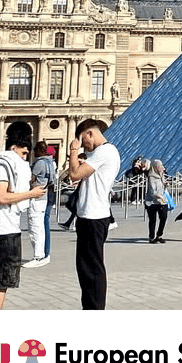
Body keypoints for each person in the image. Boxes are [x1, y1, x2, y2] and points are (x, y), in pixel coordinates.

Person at [0, 123, 47, 310]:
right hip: (5, 234)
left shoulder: (2, 165)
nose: (25, 159)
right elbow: (2, 197)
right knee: (1, 282)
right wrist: (31, 194)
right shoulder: (3, 167)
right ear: (13, 148)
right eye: (23, 153)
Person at [67, 120, 121, 310]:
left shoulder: (104, 151)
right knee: (86, 268)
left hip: (94, 216)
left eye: (83, 141)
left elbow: (73, 174)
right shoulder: (103, 153)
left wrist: (73, 151)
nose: (83, 145)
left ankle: (95, 309)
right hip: (91, 215)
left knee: (92, 269)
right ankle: (91, 308)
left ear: (89, 133)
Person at [23, 145, 59, 268]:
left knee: (34, 226)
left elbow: (30, 179)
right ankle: (42, 255)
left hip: (36, 196)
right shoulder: (50, 162)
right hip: (44, 196)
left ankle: (38, 256)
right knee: (40, 226)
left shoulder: (39, 163)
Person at [143, 158, 170, 243]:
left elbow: (161, 187)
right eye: (158, 166)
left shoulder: (161, 175)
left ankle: (159, 235)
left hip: (162, 201)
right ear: (154, 167)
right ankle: (151, 237)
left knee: (164, 217)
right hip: (152, 202)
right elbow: (152, 191)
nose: (160, 167)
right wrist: (159, 196)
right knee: (152, 220)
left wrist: (165, 184)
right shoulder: (151, 176)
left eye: (161, 165)